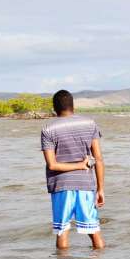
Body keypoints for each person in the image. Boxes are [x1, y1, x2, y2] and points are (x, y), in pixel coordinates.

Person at [41, 90, 105, 249]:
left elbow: (52, 165)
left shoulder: (48, 129)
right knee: (94, 232)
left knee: (62, 232)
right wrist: (100, 189)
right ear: (73, 106)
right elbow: (98, 159)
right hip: (85, 185)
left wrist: (78, 165)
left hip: (61, 185)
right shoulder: (90, 124)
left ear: (54, 108)